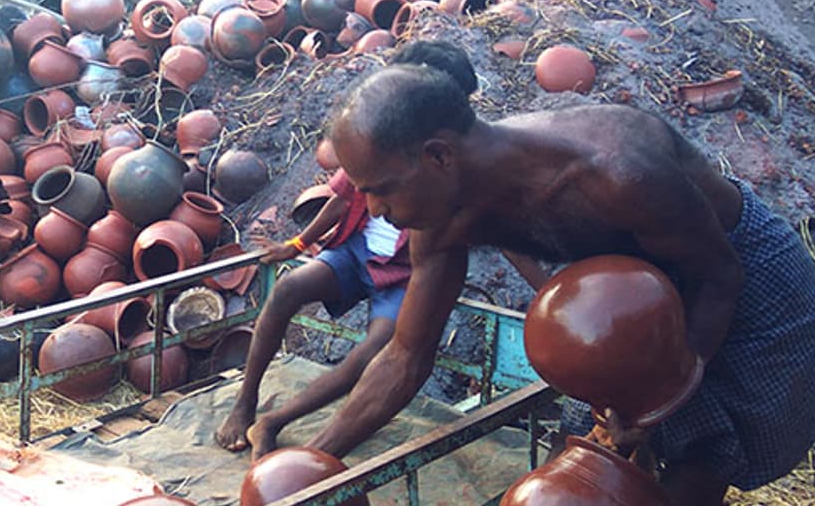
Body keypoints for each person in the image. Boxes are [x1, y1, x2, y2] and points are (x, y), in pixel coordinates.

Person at [306, 46, 815, 505]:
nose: (373, 210)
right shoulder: (438, 220)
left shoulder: (613, 172)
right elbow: (406, 355)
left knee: (704, 452)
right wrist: (312, 472)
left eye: (382, 190)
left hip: (737, 265)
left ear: (438, 155)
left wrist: (653, 401)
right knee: (586, 443)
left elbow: (719, 277)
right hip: (629, 295)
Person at [215, 42, 547, 460]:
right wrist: (299, 243)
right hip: (357, 254)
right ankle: (246, 402)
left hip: (404, 278)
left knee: (378, 349)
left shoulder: (453, 162)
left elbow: (500, 231)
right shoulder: (378, 132)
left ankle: (275, 421)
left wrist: (549, 293)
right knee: (286, 290)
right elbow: (339, 196)